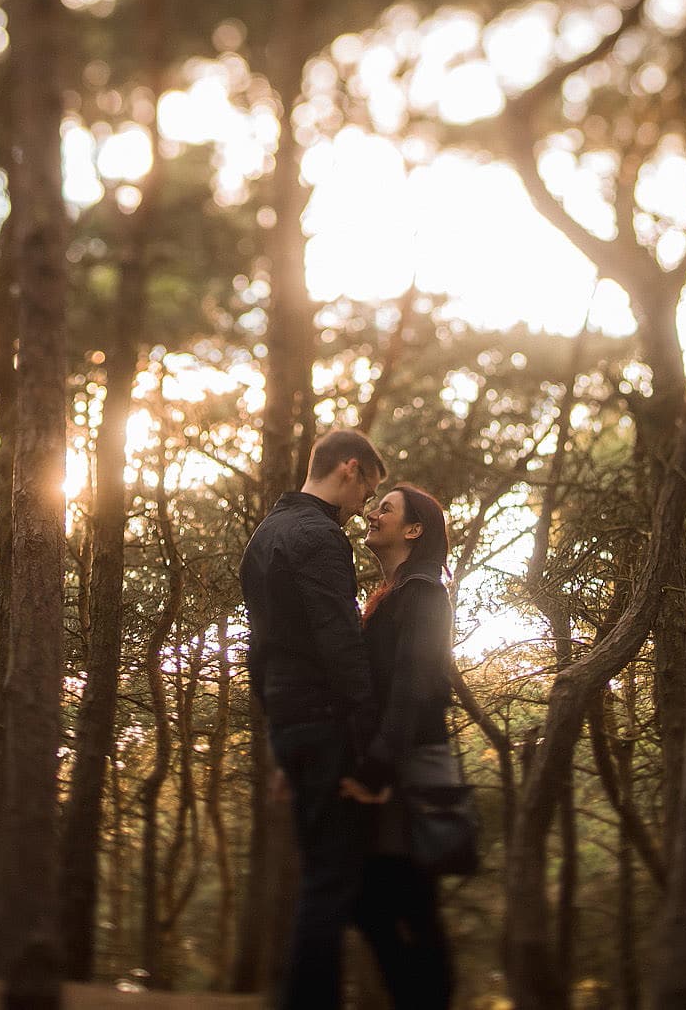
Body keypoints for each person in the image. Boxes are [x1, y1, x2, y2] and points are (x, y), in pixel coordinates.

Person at [238, 428, 387, 1009]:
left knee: (330, 875)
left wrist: (278, 727)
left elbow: (260, 648)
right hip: (325, 723)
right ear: (349, 469)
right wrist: (371, 740)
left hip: (290, 721)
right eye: (368, 487)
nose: (366, 506)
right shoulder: (320, 537)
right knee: (330, 879)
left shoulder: (265, 534)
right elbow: (340, 643)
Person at [353, 483, 457, 1010]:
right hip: (394, 762)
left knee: (404, 904)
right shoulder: (394, 592)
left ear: (414, 530)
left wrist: (379, 767)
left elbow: (414, 685)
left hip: (407, 766)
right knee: (383, 902)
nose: (372, 514)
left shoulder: (423, 593)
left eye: (385, 509)